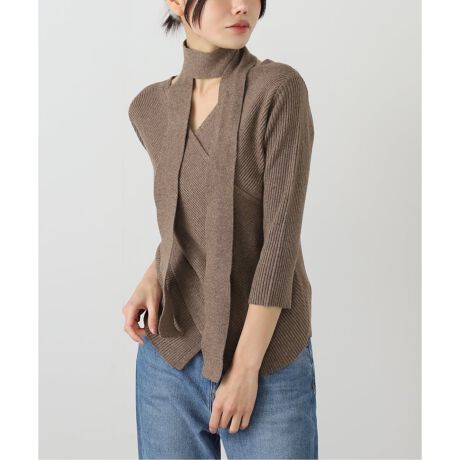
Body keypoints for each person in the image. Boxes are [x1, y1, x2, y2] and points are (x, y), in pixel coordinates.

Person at [122, 0, 318, 458]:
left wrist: (246, 369)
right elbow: (191, 213)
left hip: (268, 360)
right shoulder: (149, 108)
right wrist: (154, 272)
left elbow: (279, 242)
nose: (241, 6)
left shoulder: (278, 90)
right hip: (170, 354)